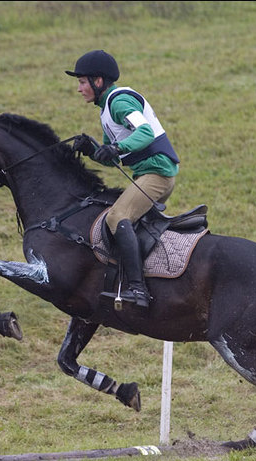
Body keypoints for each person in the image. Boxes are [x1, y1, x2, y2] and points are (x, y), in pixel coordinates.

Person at [66, 49, 180, 309]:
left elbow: (145, 133)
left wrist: (115, 148)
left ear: (98, 81)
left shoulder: (118, 102)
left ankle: (138, 290)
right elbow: (112, 158)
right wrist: (93, 150)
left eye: (82, 82)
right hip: (149, 174)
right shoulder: (106, 110)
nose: (79, 89)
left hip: (158, 174)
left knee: (117, 217)